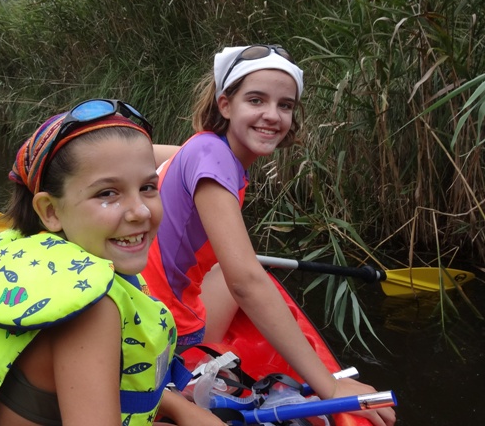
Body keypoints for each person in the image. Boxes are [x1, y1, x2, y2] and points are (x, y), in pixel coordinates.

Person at [0, 99, 226, 426]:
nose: (140, 211)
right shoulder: (91, 309)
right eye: (108, 194)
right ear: (50, 211)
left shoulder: (35, 258)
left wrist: (179, 408)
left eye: (147, 187)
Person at [141, 45, 397, 426]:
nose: (273, 115)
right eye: (256, 100)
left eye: (285, 105)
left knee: (229, 273)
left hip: (155, 304)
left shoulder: (203, 150)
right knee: (243, 277)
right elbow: (245, 282)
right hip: (158, 326)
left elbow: (154, 151)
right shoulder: (211, 157)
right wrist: (329, 386)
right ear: (225, 105)